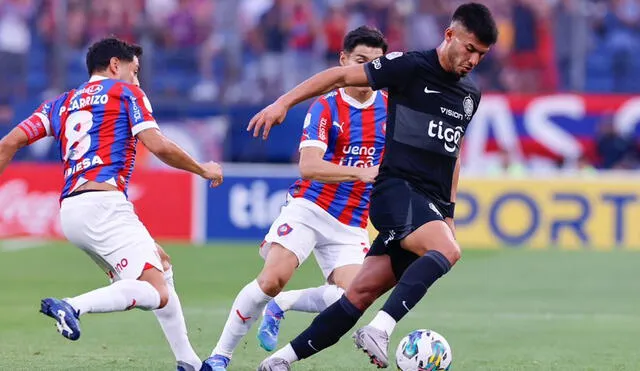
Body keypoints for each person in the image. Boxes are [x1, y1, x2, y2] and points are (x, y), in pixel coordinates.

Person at [250, 3, 498, 370]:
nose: (473, 60)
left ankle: (279, 361)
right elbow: (339, 76)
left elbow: (454, 154)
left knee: (357, 295)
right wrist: (282, 102)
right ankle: (381, 329)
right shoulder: (410, 67)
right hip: (396, 191)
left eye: (481, 54)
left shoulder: (468, 96)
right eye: (469, 48)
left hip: (427, 204)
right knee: (449, 251)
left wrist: (448, 213)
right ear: (449, 36)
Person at [0, 37, 223, 371]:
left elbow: (9, 142)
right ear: (116, 65)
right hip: (103, 204)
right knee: (156, 291)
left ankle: (188, 362)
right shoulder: (126, 93)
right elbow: (157, 146)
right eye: (134, 70)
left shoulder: (60, 103)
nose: (138, 79)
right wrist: (202, 168)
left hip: (72, 210)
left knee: (160, 264)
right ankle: (72, 307)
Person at [201, 26, 388, 371]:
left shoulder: (392, 110)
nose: (367, 72)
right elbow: (309, 166)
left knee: (356, 296)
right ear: (344, 60)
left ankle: (283, 304)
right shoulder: (326, 107)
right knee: (272, 279)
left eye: (375, 64)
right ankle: (219, 357)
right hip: (310, 207)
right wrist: (362, 172)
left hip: (351, 222)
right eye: (361, 61)